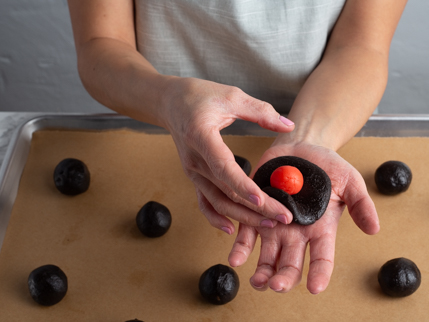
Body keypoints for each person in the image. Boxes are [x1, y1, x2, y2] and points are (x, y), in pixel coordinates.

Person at [67, 0, 408, 294]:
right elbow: (101, 42)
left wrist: (306, 137)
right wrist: (169, 101)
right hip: (157, 120)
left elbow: (361, 46)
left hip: (327, 112)